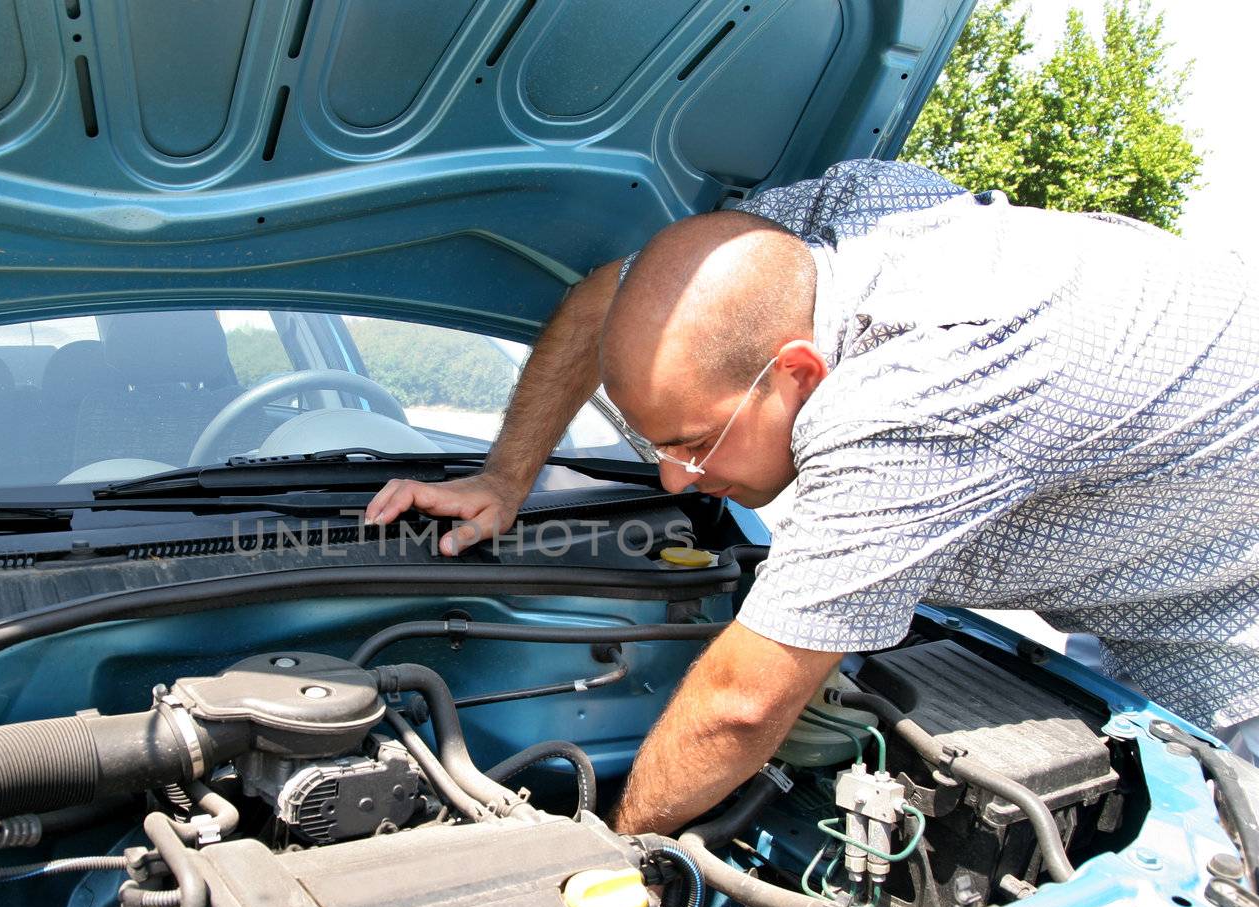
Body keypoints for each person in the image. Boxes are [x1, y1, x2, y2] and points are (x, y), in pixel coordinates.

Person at [364, 159, 1259, 835]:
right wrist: (503, 478)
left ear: (797, 373)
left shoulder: (918, 396)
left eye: (691, 442)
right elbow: (618, 294)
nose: (674, 481)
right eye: (651, 443)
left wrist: (605, 852)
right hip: (1153, 502)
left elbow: (740, 706)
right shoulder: (837, 225)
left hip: (1227, 604)